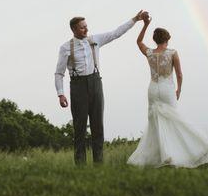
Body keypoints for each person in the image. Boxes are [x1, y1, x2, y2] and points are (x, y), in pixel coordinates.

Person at [127, 12, 208, 167]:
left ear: (155, 40)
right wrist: (179, 90)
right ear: (167, 39)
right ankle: (192, 147)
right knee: (175, 121)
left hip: (152, 90)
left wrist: (145, 25)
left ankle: (165, 156)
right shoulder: (172, 53)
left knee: (156, 125)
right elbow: (180, 75)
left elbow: (138, 41)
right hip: (167, 89)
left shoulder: (149, 53)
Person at [55, 11, 145, 165]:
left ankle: (99, 165)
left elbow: (116, 33)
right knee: (80, 128)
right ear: (74, 30)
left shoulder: (95, 40)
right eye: (82, 28)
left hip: (96, 83)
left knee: (98, 127)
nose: (86, 30)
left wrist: (135, 19)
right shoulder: (65, 48)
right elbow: (59, 73)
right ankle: (80, 166)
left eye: (86, 26)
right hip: (77, 87)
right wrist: (61, 94)